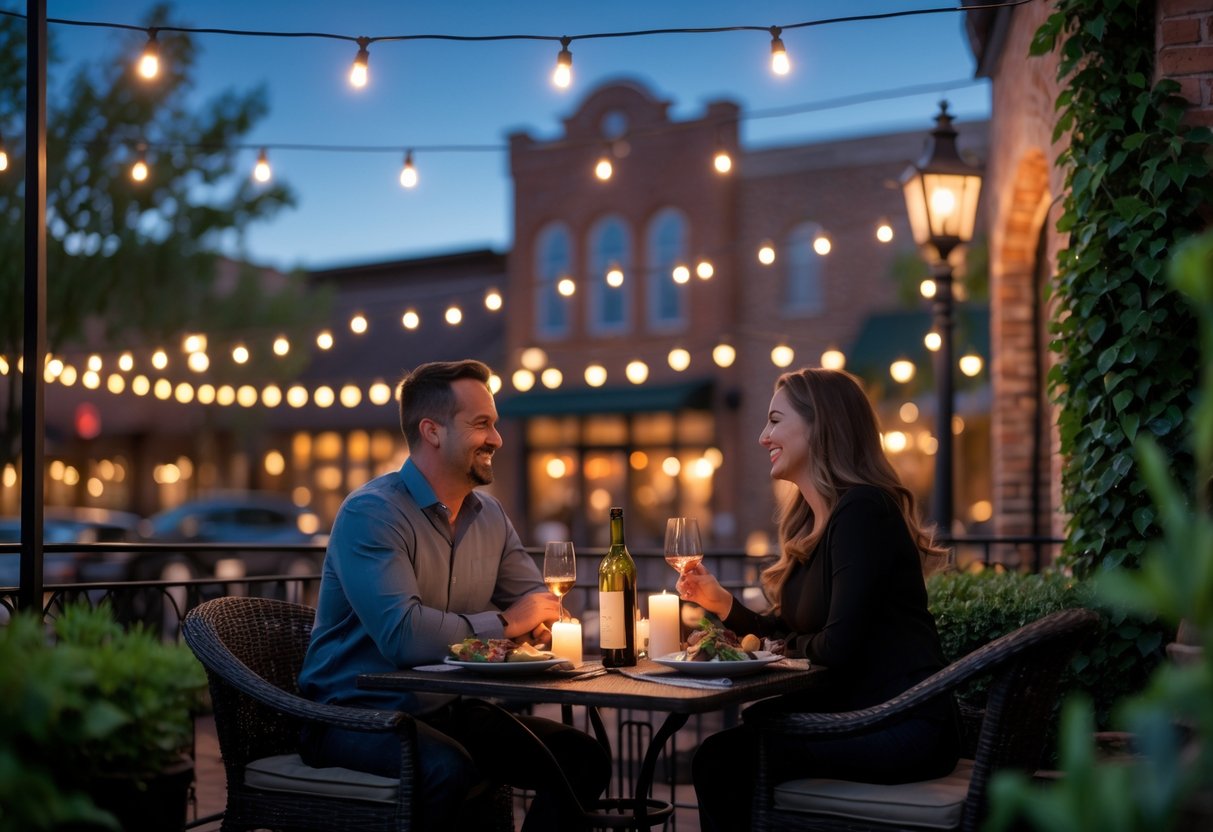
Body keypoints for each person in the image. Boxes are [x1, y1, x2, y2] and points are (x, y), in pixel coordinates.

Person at [298, 359, 609, 831]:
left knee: (581, 757)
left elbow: (534, 597)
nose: (497, 438)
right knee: (449, 769)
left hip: (445, 708)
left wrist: (540, 625)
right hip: (352, 716)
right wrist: (507, 624)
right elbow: (403, 637)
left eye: (495, 424)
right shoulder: (372, 514)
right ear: (433, 431)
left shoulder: (490, 516)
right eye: (481, 424)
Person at [677, 367, 960, 832]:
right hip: (860, 717)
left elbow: (837, 648)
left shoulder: (864, 510)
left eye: (774, 420)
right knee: (728, 749)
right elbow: (796, 632)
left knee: (721, 760)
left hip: (902, 727)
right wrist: (724, 604)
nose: (762, 436)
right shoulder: (816, 521)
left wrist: (778, 648)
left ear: (820, 425)